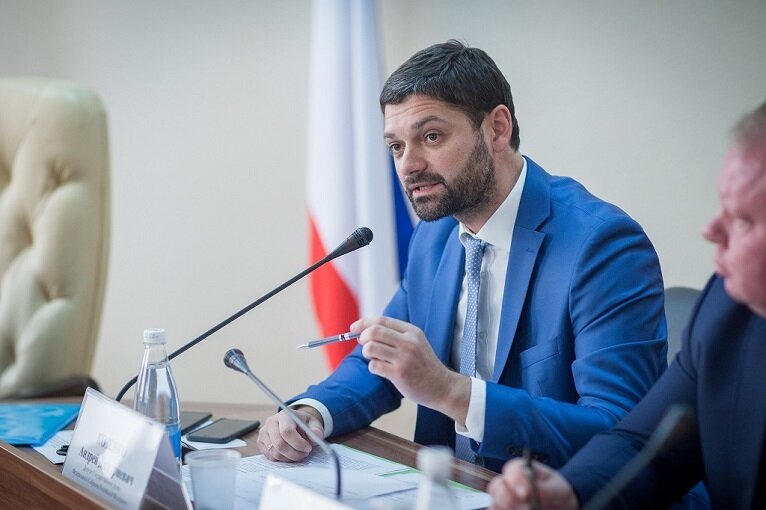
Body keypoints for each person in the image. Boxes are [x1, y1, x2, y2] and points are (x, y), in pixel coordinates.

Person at [259, 40, 668, 472]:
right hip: (450, 487)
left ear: (497, 129)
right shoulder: (435, 235)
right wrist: (312, 412)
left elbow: (618, 432)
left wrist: (451, 392)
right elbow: (384, 356)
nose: (408, 165)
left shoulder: (601, 245)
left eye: (431, 137)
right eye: (396, 146)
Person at [487, 99, 766, 509]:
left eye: (743, 220)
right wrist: (568, 492)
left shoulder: (602, 241)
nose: (711, 230)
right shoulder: (728, 308)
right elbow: (645, 445)